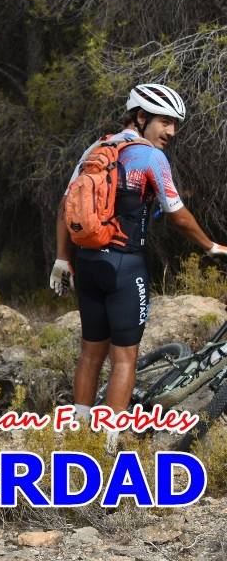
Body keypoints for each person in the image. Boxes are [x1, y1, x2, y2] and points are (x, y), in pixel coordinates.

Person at [51, 83, 226, 446]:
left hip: (87, 264)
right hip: (124, 267)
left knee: (89, 352)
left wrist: (61, 259)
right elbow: (176, 214)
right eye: (165, 122)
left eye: (175, 124)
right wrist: (211, 246)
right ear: (141, 117)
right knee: (125, 358)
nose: (171, 132)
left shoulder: (96, 149)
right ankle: (108, 444)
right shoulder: (149, 158)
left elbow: (65, 206)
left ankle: (81, 437)